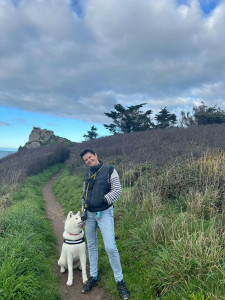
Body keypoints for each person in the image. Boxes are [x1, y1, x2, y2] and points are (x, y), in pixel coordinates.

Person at [80, 149, 130, 300]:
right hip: (89, 215)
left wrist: (103, 200)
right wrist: (83, 212)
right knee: (92, 246)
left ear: (96, 155)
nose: (88, 161)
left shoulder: (109, 169)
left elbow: (117, 191)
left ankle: (119, 280)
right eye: (85, 160)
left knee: (110, 247)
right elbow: (84, 194)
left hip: (105, 213)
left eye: (90, 157)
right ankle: (93, 277)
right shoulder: (87, 174)